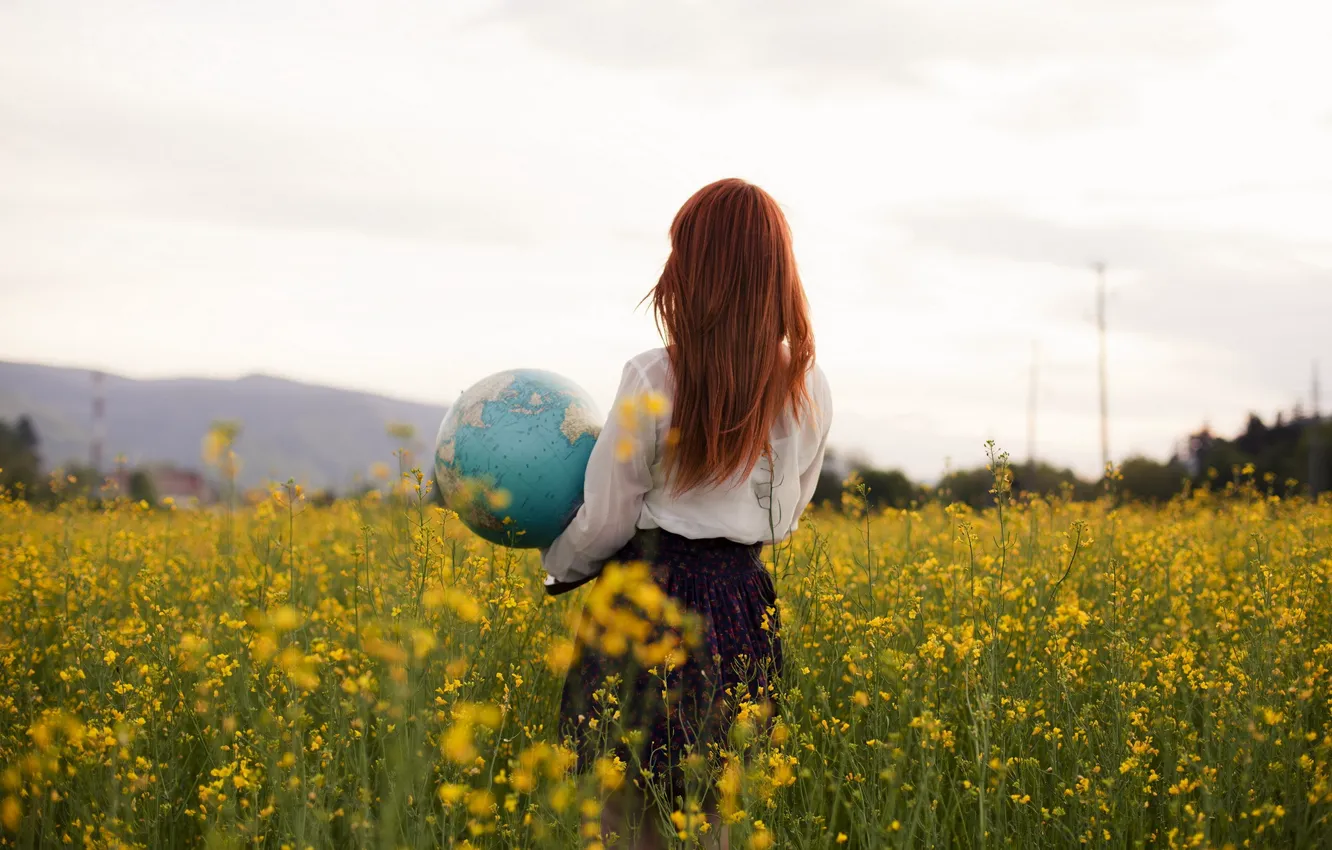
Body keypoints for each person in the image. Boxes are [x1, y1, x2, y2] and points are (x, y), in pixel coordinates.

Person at [541, 178, 833, 849]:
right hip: (742, 603)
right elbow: (786, 516)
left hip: (648, 595)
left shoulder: (654, 375)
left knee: (620, 811)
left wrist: (559, 567)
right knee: (711, 811)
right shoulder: (810, 385)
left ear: (695, 269)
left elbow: (607, 520)